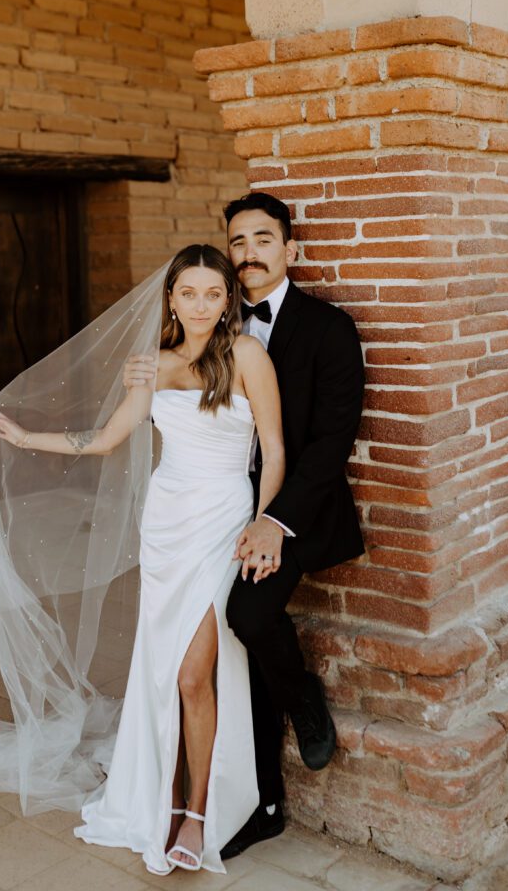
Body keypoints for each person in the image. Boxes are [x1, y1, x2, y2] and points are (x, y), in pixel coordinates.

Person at [0, 243, 285, 876]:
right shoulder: (150, 365)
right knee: (161, 666)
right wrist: (26, 435)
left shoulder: (251, 357)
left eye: (213, 293)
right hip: (167, 521)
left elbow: (275, 449)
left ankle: (198, 810)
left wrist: (263, 521)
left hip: (222, 521)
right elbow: (103, 439)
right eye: (189, 293)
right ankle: (163, 796)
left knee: (192, 673)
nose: (202, 305)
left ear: (228, 298)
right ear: (171, 298)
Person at [123, 192, 366, 860]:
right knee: (218, 648)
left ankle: (304, 704)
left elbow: (328, 443)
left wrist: (274, 522)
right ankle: (253, 803)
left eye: (264, 238)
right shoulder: (203, 329)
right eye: (237, 241)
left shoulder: (327, 328)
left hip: (293, 512)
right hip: (214, 510)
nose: (249, 251)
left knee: (250, 617)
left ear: (290, 250)